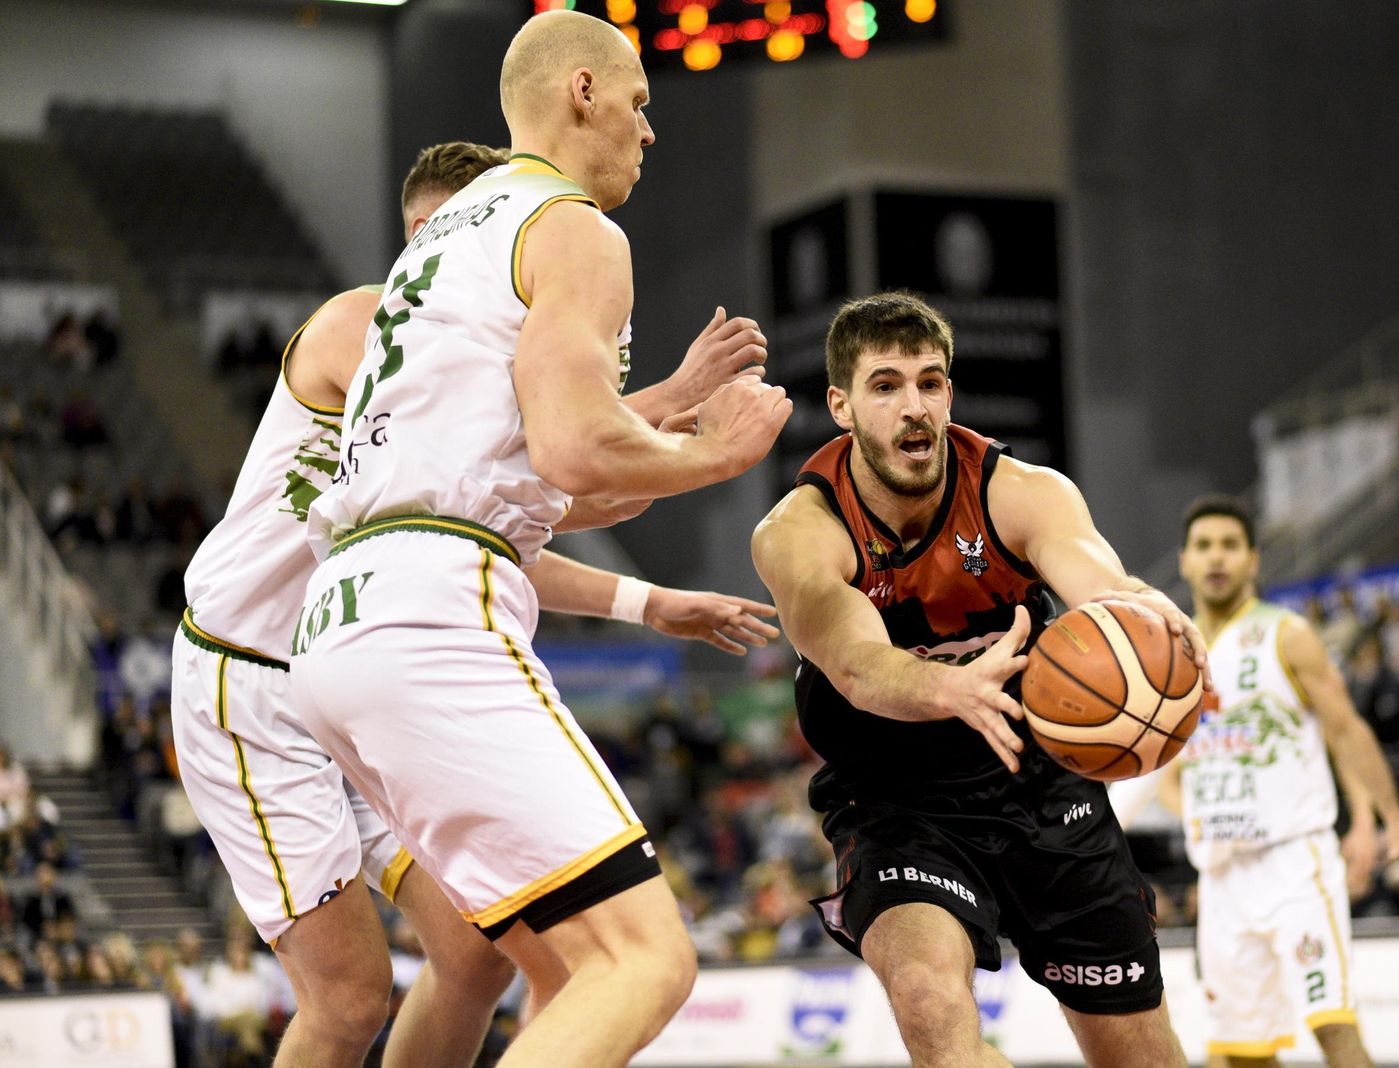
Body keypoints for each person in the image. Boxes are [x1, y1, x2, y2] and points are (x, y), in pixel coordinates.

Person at [172, 139, 777, 1068]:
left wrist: (650, 586)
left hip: (362, 657)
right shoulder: (368, 332)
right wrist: (671, 416)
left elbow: (511, 513)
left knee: (472, 955)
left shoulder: (446, 377)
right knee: (348, 1001)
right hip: (250, 680)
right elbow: (546, 469)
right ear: (433, 232)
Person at [750, 291, 1204, 1068]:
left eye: (930, 382)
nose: (914, 406)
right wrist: (946, 689)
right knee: (930, 1001)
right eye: (886, 386)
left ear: (950, 395)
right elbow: (856, 664)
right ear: (841, 405)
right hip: (897, 804)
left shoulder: (1022, 491)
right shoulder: (800, 532)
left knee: (1144, 1056)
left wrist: (1142, 610)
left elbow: (1098, 579)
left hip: (1041, 787)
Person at [1138, 494, 1399, 1068]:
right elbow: (1168, 776)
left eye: (1230, 546)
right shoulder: (1172, 658)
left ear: (1253, 560)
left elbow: (1346, 731)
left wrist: (1387, 818)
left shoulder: (1286, 635)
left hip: (1295, 863)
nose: (1217, 558)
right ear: (1184, 560)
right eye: (1204, 546)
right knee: (1242, 1052)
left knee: (1333, 1026)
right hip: (1222, 877)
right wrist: (1193, 814)